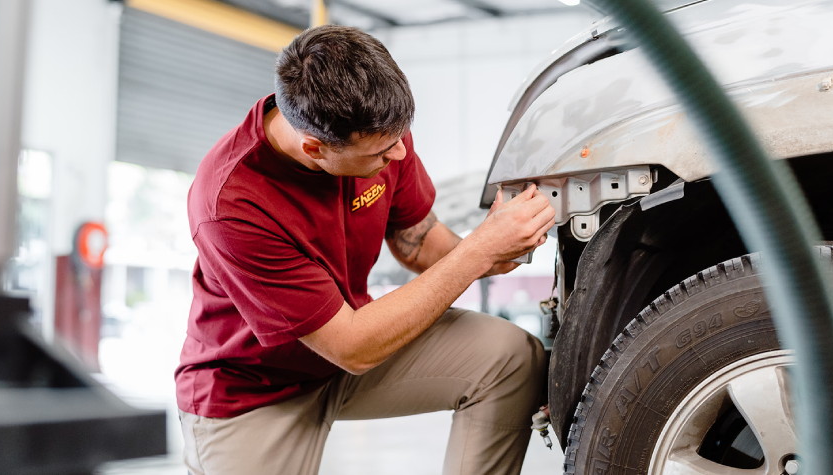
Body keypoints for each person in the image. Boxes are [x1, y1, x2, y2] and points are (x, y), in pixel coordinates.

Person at [176, 24, 556, 475]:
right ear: (316, 148)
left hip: (347, 351)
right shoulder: (231, 203)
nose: (398, 154)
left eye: (401, 137)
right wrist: (476, 253)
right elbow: (352, 346)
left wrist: (499, 249)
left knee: (511, 357)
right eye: (380, 152)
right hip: (254, 390)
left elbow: (416, 241)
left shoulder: (380, 128)